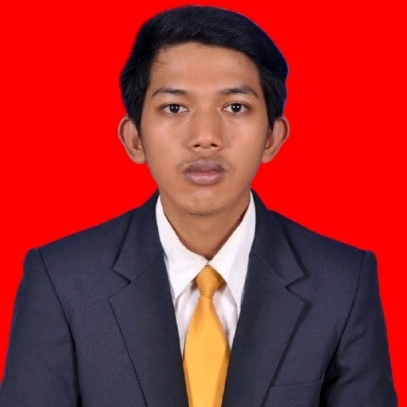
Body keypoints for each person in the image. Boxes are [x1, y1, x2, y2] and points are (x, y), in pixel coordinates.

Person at [0, 5, 397, 407]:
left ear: (272, 138)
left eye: (235, 107)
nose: (205, 136)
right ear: (135, 139)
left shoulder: (342, 283)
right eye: (175, 108)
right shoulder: (62, 281)